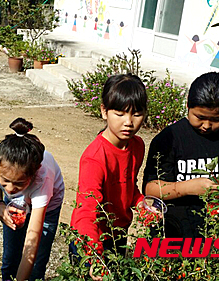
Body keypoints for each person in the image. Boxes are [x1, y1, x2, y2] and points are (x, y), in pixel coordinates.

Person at [142, 72, 219, 238]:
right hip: (173, 233)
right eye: (200, 117)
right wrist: (187, 188)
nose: (206, 125)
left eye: (216, 119)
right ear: (187, 104)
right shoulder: (169, 139)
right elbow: (150, 188)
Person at [69, 74, 149, 276]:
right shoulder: (94, 159)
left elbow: (128, 185)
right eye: (120, 113)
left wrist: (141, 203)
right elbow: (87, 211)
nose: (129, 122)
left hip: (118, 235)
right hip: (90, 239)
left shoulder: (137, 146)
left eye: (136, 113)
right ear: (104, 111)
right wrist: (95, 259)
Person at [0, 118, 65, 281]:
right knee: (11, 255)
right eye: (5, 180)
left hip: (48, 206)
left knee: (37, 262)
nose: (9, 189)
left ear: (35, 171)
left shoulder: (42, 180)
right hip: (18, 202)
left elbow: (33, 236)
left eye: (18, 182)